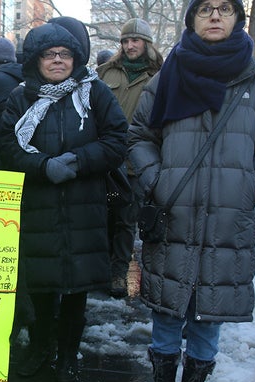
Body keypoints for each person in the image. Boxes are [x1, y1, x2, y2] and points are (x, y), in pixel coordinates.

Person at [128, 0, 255, 382]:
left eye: (224, 8)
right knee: (167, 307)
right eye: (205, 9)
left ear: (238, 18)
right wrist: (155, 179)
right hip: (175, 213)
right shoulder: (170, 73)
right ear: (192, 19)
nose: (215, 16)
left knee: (209, 311)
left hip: (228, 218)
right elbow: (140, 134)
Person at [0, 20, 128, 382]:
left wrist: (79, 160)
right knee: (41, 283)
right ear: (36, 60)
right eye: (49, 54)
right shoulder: (21, 97)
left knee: (76, 287)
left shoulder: (95, 92)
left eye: (65, 54)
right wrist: (43, 166)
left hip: (83, 206)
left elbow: (118, 139)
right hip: (38, 206)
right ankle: (40, 345)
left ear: (76, 58)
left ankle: (68, 354)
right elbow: (7, 147)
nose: (57, 60)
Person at [97, 18, 164, 298]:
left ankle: (118, 273)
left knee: (126, 220)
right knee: (101, 215)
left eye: (135, 40)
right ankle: (98, 268)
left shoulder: (161, 76)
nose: (129, 45)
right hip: (105, 160)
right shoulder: (105, 72)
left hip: (136, 163)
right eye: (125, 41)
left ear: (146, 44)